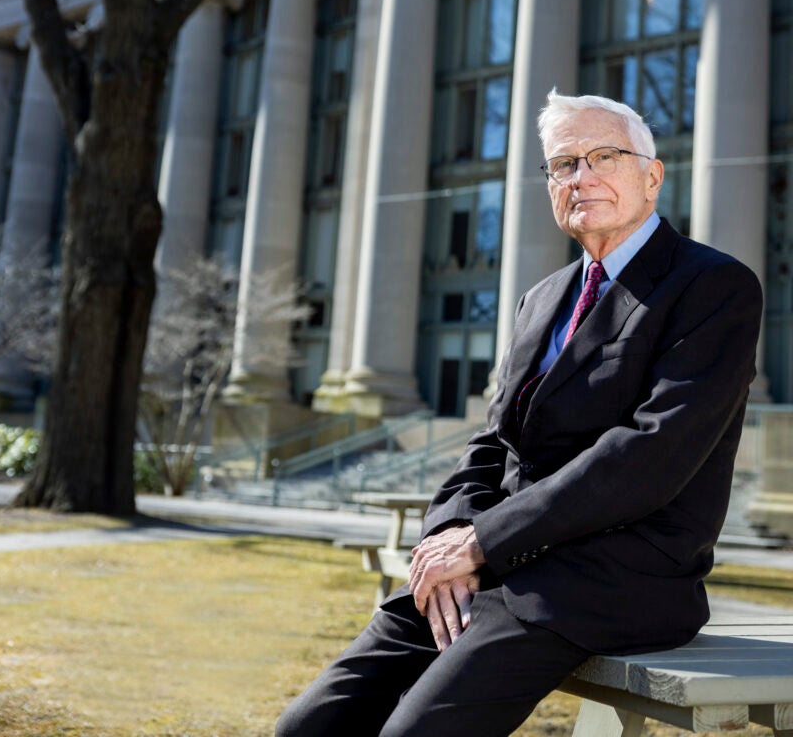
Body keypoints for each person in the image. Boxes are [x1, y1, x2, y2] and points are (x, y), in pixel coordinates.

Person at [276, 91, 763, 737]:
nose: (580, 177)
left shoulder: (712, 287)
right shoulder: (543, 297)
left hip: (614, 578)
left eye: (602, 157)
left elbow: (650, 455)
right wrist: (445, 537)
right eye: (562, 165)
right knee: (309, 726)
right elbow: (491, 443)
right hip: (497, 564)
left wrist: (482, 541)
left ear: (652, 176)